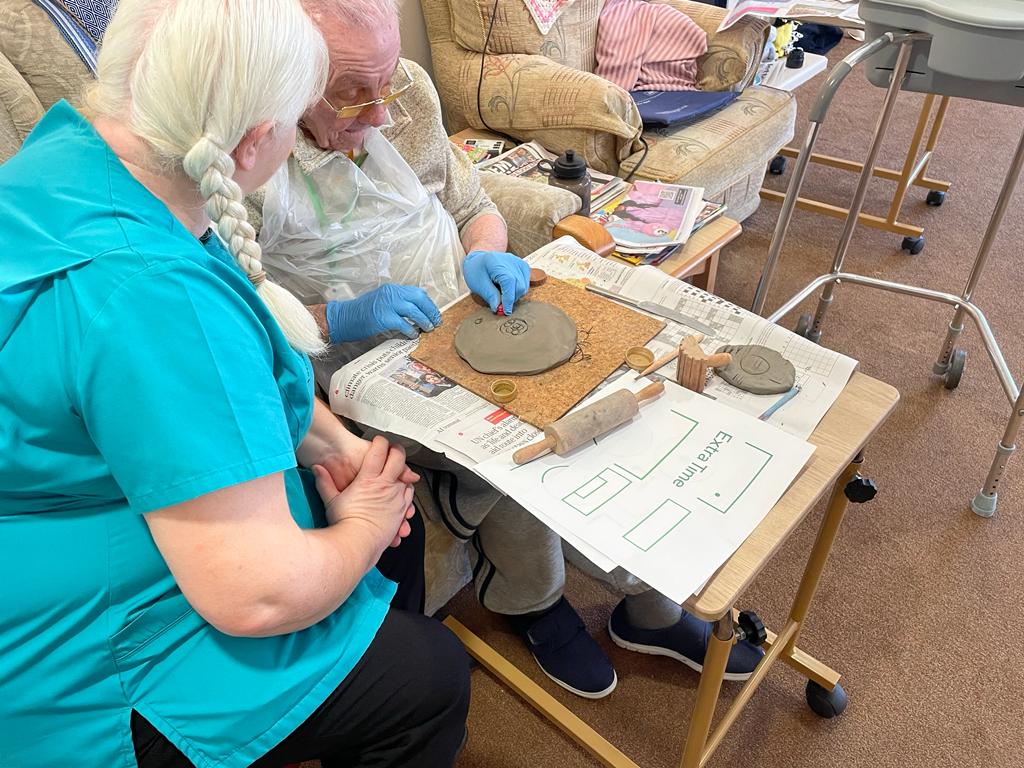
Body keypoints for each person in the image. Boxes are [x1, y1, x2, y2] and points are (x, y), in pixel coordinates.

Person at [0, 1, 467, 767]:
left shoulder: (75, 160)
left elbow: (235, 379)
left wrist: (341, 446)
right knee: (433, 677)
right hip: (83, 660)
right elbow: (254, 595)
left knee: (390, 535)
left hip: (76, 507)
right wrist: (364, 526)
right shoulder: (150, 296)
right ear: (257, 141)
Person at [256, 0, 763, 699]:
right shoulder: (251, 153)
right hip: (364, 359)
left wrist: (486, 256)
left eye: (385, 86)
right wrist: (337, 317)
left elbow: (472, 205)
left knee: (607, 388)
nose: (379, 113)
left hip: (470, 307)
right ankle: (532, 601)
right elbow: (238, 320)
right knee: (533, 432)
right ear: (286, 81)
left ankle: (651, 608)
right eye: (351, 94)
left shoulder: (406, 95)